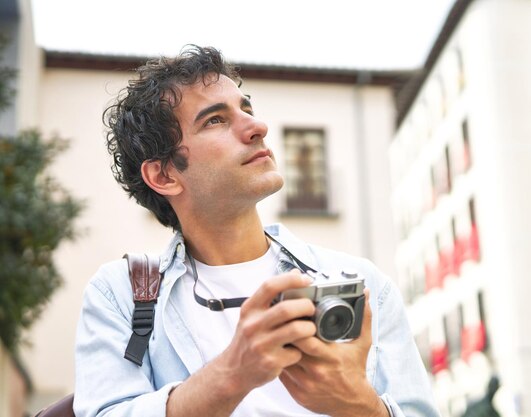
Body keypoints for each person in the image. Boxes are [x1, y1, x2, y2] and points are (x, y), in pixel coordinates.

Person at [73, 44, 440, 417]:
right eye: (215, 120)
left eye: (246, 109)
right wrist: (233, 372)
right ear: (164, 175)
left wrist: (360, 405)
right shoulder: (120, 294)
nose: (257, 127)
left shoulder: (364, 286)